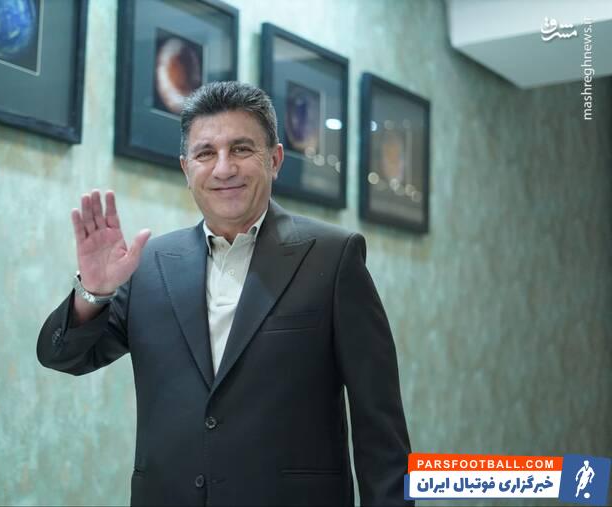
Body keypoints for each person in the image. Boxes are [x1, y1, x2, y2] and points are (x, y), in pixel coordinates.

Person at [37, 81, 412, 506]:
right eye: (205, 153)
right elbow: (63, 357)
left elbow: (381, 429)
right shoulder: (149, 264)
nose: (223, 168)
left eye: (241, 149)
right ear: (186, 169)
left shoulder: (333, 256)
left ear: (274, 160)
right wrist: (93, 292)